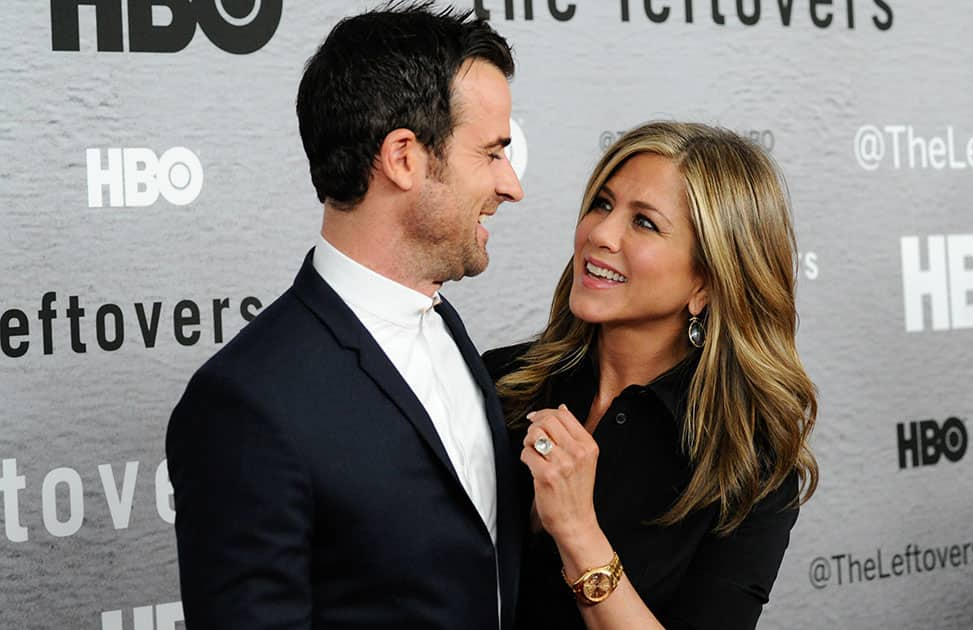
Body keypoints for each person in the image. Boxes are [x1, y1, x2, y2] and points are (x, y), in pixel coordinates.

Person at [166, 3, 524, 628]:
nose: (511, 184)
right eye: (492, 154)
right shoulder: (245, 403)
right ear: (405, 157)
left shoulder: (448, 327)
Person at [484, 121, 818, 629]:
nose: (600, 233)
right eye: (602, 203)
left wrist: (577, 530)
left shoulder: (748, 465)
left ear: (707, 281)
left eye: (644, 223)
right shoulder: (500, 381)